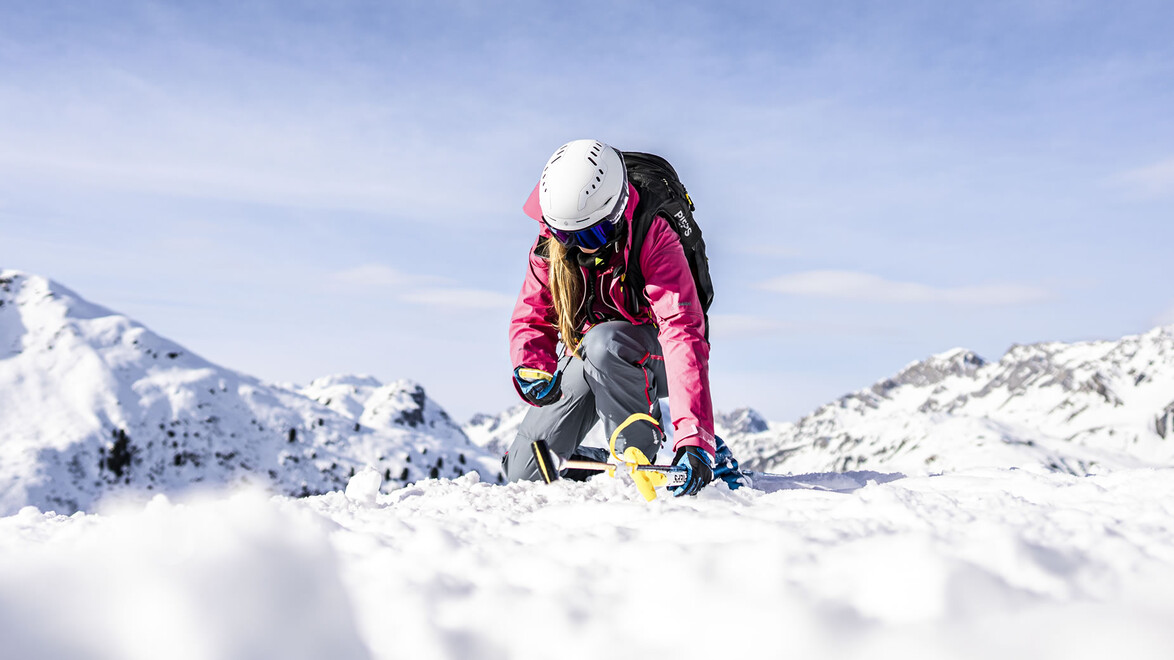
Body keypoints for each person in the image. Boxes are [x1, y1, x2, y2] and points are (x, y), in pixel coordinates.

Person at [503, 139, 715, 496]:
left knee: (606, 342)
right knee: (526, 471)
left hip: (654, 354)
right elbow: (533, 311)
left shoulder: (654, 233)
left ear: (616, 212)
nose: (581, 247)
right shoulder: (553, 239)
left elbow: (681, 333)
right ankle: (598, 463)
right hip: (593, 353)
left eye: (593, 234)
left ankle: (641, 461)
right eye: (567, 236)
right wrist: (530, 364)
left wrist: (694, 438)